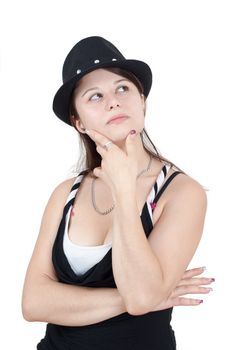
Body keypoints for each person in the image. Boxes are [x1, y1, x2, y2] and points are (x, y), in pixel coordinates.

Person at [22, 36, 214, 349]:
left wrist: (125, 192)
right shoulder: (64, 194)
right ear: (79, 122)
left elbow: (140, 297)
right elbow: (33, 303)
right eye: (94, 96)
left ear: (142, 101)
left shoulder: (182, 193)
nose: (113, 101)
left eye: (122, 88)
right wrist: (143, 297)